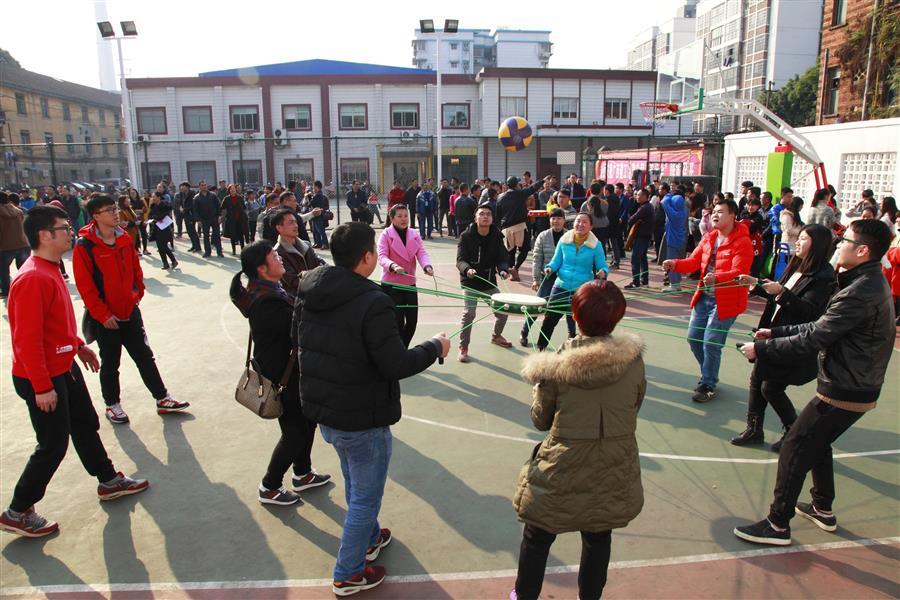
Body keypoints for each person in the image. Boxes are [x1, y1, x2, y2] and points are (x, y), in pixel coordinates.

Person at [294, 222, 450, 595]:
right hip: (360, 415)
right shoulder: (374, 301)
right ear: (367, 257)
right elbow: (395, 363)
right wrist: (434, 347)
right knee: (365, 496)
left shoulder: (310, 287)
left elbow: (297, 338)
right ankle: (348, 573)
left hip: (327, 409)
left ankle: (368, 537)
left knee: (355, 479)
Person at [734, 219, 894, 546]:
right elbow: (821, 325)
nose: (839, 245)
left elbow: (816, 336)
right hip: (852, 382)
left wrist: (762, 348)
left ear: (862, 251)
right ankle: (822, 507)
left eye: (846, 241)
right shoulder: (862, 281)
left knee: (794, 445)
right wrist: (775, 332)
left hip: (846, 387)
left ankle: (778, 524)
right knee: (817, 442)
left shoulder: (860, 291)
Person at [0, 206, 149, 539]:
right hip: (42, 376)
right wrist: (42, 386)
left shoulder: (51, 268)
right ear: (44, 235)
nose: (71, 232)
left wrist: (77, 345)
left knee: (85, 423)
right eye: (64, 228)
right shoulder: (32, 277)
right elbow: (27, 340)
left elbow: (54, 324)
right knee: (52, 444)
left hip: (63, 365)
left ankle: (108, 480)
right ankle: (17, 510)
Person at [513, 279, 644, 600]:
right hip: (614, 465)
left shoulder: (556, 367)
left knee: (537, 536)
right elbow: (634, 405)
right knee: (598, 536)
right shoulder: (633, 362)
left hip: (562, 465)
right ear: (617, 317)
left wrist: (540, 387)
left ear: (575, 315)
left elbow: (540, 420)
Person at [229, 241, 331, 507]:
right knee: (295, 432)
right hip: (283, 376)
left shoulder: (268, 290)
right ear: (262, 269)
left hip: (287, 370)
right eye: (274, 256)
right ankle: (270, 485)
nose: (280, 258)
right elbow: (298, 329)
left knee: (307, 423)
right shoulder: (267, 301)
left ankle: (303, 473)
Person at [73, 195, 189, 425]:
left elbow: (136, 271)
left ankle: (162, 398)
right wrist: (103, 315)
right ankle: (112, 404)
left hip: (130, 311)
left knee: (145, 357)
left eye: (115, 208)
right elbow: (85, 287)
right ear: (95, 216)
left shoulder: (124, 238)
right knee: (111, 363)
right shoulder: (85, 247)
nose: (115, 213)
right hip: (106, 318)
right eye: (109, 210)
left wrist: (137, 294)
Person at [732, 225, 836, 450]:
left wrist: (781, 292)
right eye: (799, 237)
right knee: (758, 380)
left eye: (804, 239)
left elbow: (809, 312)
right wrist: (756, 284)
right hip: (772, 333)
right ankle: (754, 429)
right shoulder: (797, 266)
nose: (797, 242)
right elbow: (777, 295)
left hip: (791, 340)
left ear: (818, 245)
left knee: (771, 387)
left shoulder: (824, 277)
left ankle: (794, 433)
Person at [663, 199, 753, 403]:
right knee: (694, 338)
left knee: (711, 341)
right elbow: (693, 262)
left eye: (720, 212)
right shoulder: (709, 237)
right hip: (704, 297)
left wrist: (717, 278)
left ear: (733, 215)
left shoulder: (742, 241)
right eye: (714, 211)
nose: (714, 215)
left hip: (727, 300)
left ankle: (708, 383)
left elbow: (740, 272)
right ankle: (709, 373)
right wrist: (674, 264)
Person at [538, 212, 609, 351]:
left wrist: (602, 272)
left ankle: (586, 352)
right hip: (561, 286)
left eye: (584, 222)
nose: (580, 224)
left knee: (584, 323)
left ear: (591, 226)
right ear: (573, 223)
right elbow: (556, 261)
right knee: (549, 320)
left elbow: (602, 265)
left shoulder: (596, 245)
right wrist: (550, 268)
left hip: (582, 290)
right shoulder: (564, 240)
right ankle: (541, 348)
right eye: (578, 221)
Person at [456, 205, 513, 362]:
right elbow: (460, 260)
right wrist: (467, 269)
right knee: (469, 314)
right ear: (476, 218)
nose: (485, 216)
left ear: (492, 219)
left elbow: (502, 257)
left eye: (488, 214)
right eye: (481, 214)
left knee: (503, 311)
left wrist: (503, 269)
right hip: (470, 282)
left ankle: (496, 336)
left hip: (488, 282)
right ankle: (463, 347)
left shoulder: (497, 236)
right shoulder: (466, 236)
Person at [378, 204, 434, 347]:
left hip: (409, 284)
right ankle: (399, 352)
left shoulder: (414, 234)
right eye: (400, 216)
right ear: (392, 218)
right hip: (391, 286)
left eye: (406, 216)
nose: (404, 219)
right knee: (396, 322)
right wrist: (393, 266)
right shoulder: (386, 234)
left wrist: (427, 266)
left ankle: (402, 350)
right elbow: (382, 257)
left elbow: (421, 252)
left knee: (412, 322)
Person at [521, 209, 571, 346]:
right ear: (549, 220)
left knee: (569, 308)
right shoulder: (543, 236)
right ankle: (524, 332)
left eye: (559, 218)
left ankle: (571, 335)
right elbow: (537, 258)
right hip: (547, 277)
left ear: (564, 220)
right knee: (538, 306)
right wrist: (535, 279)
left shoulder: (569, 236)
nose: (556, 221)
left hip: (565, 279)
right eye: (553, 218)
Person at [497, 175, 549, 281]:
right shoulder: (520, 193)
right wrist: (543, 180)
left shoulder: (500, 197)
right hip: (520, 226)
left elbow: (498, 215)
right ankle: (516, 268)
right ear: (516, 185)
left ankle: (512, 270)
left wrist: (499, 229)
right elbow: (532, 188)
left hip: (506, 228)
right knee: (525, 249)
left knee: (510, 251)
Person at [272, 208, 324, 303]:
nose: (296, 225)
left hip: (316, 295)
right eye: (291, 222)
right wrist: (317, 277)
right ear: (279, 228)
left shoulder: (306, 245)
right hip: (297, 302)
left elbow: (321, 265)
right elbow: (293, 281)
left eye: (295, 222)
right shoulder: (278, 253)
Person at [0, 191, 31, 299]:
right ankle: (27, 288)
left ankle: (6, 291)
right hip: (23, 243)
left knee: (3, 270)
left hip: (6, 246)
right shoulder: (18, 210)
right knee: (24, 269)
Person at [625, 188, 655, 289]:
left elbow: (631, 219)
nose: (637, 197)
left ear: (645, 196)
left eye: (639, 195)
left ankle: (636, 282)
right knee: (642, 258)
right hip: (646, 236)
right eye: (636, 195)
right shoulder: (648, 206)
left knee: (635, 259)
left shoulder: (644, 208)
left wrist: (633, 219)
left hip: (641, 236)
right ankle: (644, 281)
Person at [661, 184, 688, 291]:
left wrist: (669, 195)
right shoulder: (683, 211)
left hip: (673, 240)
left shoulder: (674, 214)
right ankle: (677, 282)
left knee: (671, 261)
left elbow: (664, 202)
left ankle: (674, 284)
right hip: (680, 239)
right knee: (677, 262)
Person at [193, 180, 224, 257]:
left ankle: (219, 252)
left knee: (217, 236)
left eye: (205, 185)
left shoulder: (213, 195)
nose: (204, 186)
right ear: (199, 187)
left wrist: (219, 216)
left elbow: (218, 206)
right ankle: (207, 252)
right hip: (204, 220)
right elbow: (195, 210)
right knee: (206, 236)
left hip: (214, 218)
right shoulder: (197, 198)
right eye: (202, 185)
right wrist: (198, 220)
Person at [148, 192, 178, 270]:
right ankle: (165, 263)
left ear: (159, 197)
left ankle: (173, 260)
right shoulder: (153, 206)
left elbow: (162, 216)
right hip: (156, 228)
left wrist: (155, 218)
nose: (153, 198)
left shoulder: (165, 205)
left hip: (164, 228)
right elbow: (150, 215)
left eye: (154, 197)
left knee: (163, 246)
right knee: (160, 247)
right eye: (152, 197)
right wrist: (154, 218)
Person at [221, 184, 249, 255]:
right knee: (232, 235)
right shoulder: (226, 199)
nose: (233, 190)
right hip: (231, 220)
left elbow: (244, 207)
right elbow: (222, 208)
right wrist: (222, 216)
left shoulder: (240, 198)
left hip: (240, 219)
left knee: (241, 235)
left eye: (234, 189)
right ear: (229, 190)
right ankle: (234, 250)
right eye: (231, 189)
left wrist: (246, 215)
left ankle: (243, 249)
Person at [310, 181, 330, 250]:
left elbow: (311, 203)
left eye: (314, 187)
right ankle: (318, 243)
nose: (313, 188)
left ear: (317, 187)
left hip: (318, 214)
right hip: (315, 214)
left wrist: (309, 197)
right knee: (315, 230)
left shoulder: (318, 195)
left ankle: (325, 244)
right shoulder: (316, 194)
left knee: (320, 230)